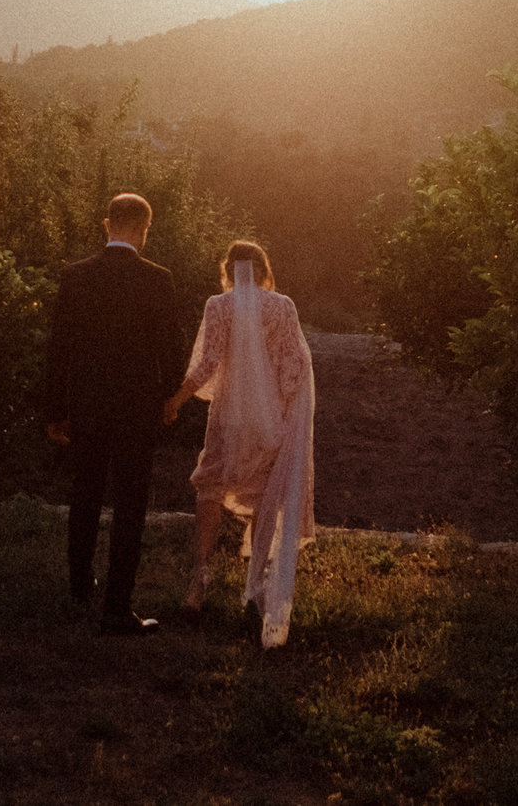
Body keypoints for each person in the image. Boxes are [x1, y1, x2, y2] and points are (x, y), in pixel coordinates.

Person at [44, 192, 183, 635]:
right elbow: (171, 350)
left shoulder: (75, 277)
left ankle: (79, 588)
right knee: (129, 505)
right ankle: (116, 607)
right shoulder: (158, 280)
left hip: (86, 404)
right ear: (144, 229)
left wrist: (56, 409)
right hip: (136, 409)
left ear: (107, 225)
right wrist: (167, 397)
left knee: (84, 496)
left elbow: (57, 350)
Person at [165, 240, 316, 647]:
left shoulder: (219, 305)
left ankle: (200, 577)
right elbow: (293, 367)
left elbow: (207, 361)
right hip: (270, 423)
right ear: (264, 269)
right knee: (262, 493)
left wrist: (177, 399)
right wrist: (286, 415)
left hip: (229, 418)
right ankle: (256, 586)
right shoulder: (282, 306)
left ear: (228, 271)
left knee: (210, 486)